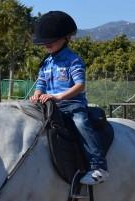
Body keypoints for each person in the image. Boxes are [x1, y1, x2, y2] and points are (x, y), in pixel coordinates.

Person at [30, 11, 109, 185]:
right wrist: (37, 93)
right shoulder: (46, 62)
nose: (46, 44)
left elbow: (80, 86)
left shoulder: (73, 60)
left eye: (52, 39)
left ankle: (99, 167)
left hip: (72, 104)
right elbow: (41, 83)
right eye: (44, 41)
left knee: (81, 124)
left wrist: (58, 97)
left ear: (66, 38)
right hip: (50, 105)